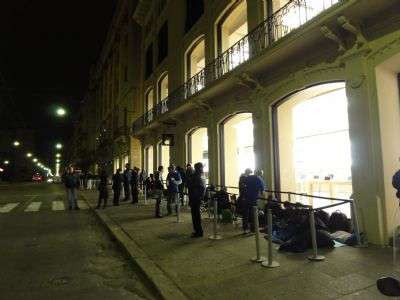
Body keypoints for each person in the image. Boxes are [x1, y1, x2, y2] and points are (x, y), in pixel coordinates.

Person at [242, 169, 266, 234]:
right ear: (260, 174)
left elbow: (243, 185)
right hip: (253, 199)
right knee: (253, 214)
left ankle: (245, 229)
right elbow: (263, 193)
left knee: (245, 214)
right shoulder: (260, 180)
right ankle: (253, 229)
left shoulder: (248, 177)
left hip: (246, 198)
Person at [188, 162, 206, 238]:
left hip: (195, 198)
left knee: (195, 216)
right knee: (197, 215)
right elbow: (203, 187)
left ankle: (198, 232)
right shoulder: (203, 175)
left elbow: (192, 187)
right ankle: (199, 231)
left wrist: (192, 199)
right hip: (199, 197)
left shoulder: (196, 176)